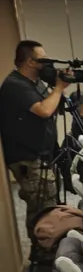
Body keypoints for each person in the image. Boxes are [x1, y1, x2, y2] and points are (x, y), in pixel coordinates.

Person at [0, 40, 66, 234]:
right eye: (43, 58)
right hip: (28, 158)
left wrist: (56, 87)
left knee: (49, 203)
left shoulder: (35, 83)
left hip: (42, 155)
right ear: (30, 62)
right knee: (42, 209)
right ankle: (41, 248)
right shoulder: (15, 85)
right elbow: (44, 110)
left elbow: (52, 107)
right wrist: (59, 88)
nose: (47, 62)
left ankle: (48, 244)